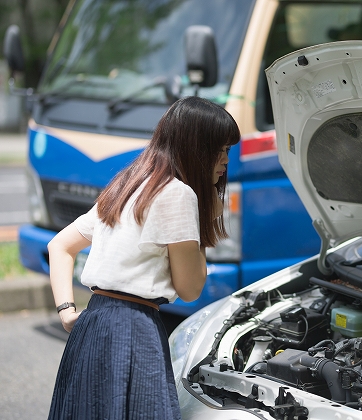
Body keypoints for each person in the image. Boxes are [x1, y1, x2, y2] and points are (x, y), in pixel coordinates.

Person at [46, 96, 241, 420]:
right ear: (195, 149)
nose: (224, 161)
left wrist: (67, 312)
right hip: (133, 329)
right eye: (218, 150)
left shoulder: (127, 184)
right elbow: (191, 289)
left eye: (227, 151)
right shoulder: (178, 193)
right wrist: (205, 222)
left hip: (93, 324)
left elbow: (59, 246)